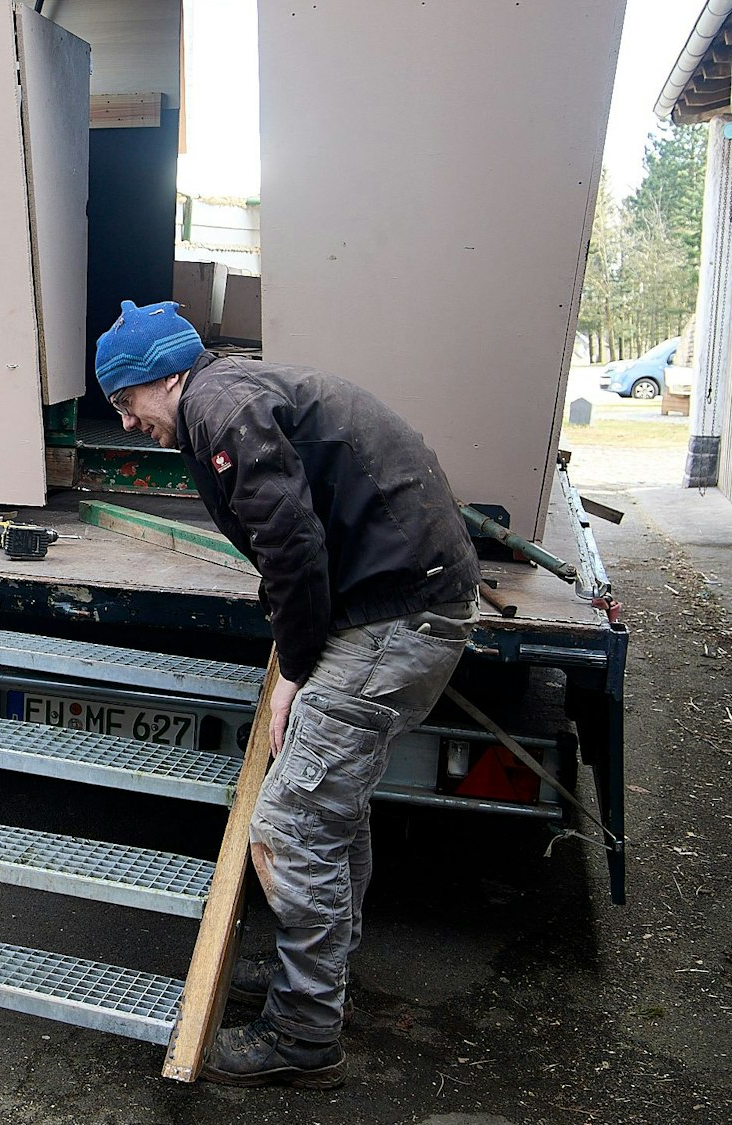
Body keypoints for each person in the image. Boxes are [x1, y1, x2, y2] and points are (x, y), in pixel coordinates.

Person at [93, 300, 480, 1088]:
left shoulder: (218, 404)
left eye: (125, 401)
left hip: (397, 613)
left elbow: (292, 545)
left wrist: (296, 666)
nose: (126, 422)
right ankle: (319, 987)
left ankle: (304, 1035)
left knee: (293, 823)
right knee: (333, 810)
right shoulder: (223, 395)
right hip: (402, 599)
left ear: (163, 375)